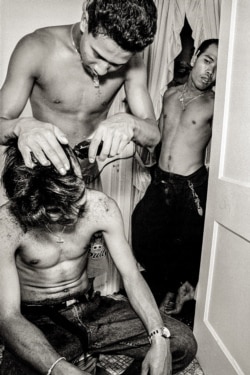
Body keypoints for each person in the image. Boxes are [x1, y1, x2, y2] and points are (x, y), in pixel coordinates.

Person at [0, 141, 197, 375]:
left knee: (181, 343)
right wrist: (59, 369)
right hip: (40, 319)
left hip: (91, 307)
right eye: (58, 211)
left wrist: (159, 337)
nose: (73, 214)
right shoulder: (8, 224)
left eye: (77, 199)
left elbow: (131, 275)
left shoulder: (100, 206)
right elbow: (8, 316)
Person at [0, 0, 160, 179]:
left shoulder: (134, 63)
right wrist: (20, 126)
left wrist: (132, 124)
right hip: (41, 181)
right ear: (85, 20)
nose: (101, 71)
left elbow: (154, 135)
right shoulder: (35, 48)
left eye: (116, 64)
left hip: (87, 176)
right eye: (97, 55)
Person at [132, 39, 219, 315]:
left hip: (190, 184)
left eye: (218, 67)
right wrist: (143, 149)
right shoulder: (170, 94)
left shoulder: (216, 105)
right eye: (208, 60)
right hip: (160, 179)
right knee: (142, 229)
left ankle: (181, 290)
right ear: (195, 57)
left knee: (188, 244)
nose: (210, 71)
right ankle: (170, 284)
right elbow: (159, 131)